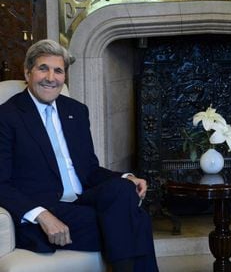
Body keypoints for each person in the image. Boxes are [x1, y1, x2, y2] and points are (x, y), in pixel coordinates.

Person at [0, 39, 158, 271]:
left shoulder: (75, 111)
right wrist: (42, 215)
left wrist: (126, 178)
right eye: (43, 68)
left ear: (65, 76)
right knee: (136, 220)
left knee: (123, 188)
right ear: (27, 72)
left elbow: (90, 170)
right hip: (46, 208)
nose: (51, 78)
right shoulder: (7, 116)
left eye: (58, 71)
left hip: (81, 203)